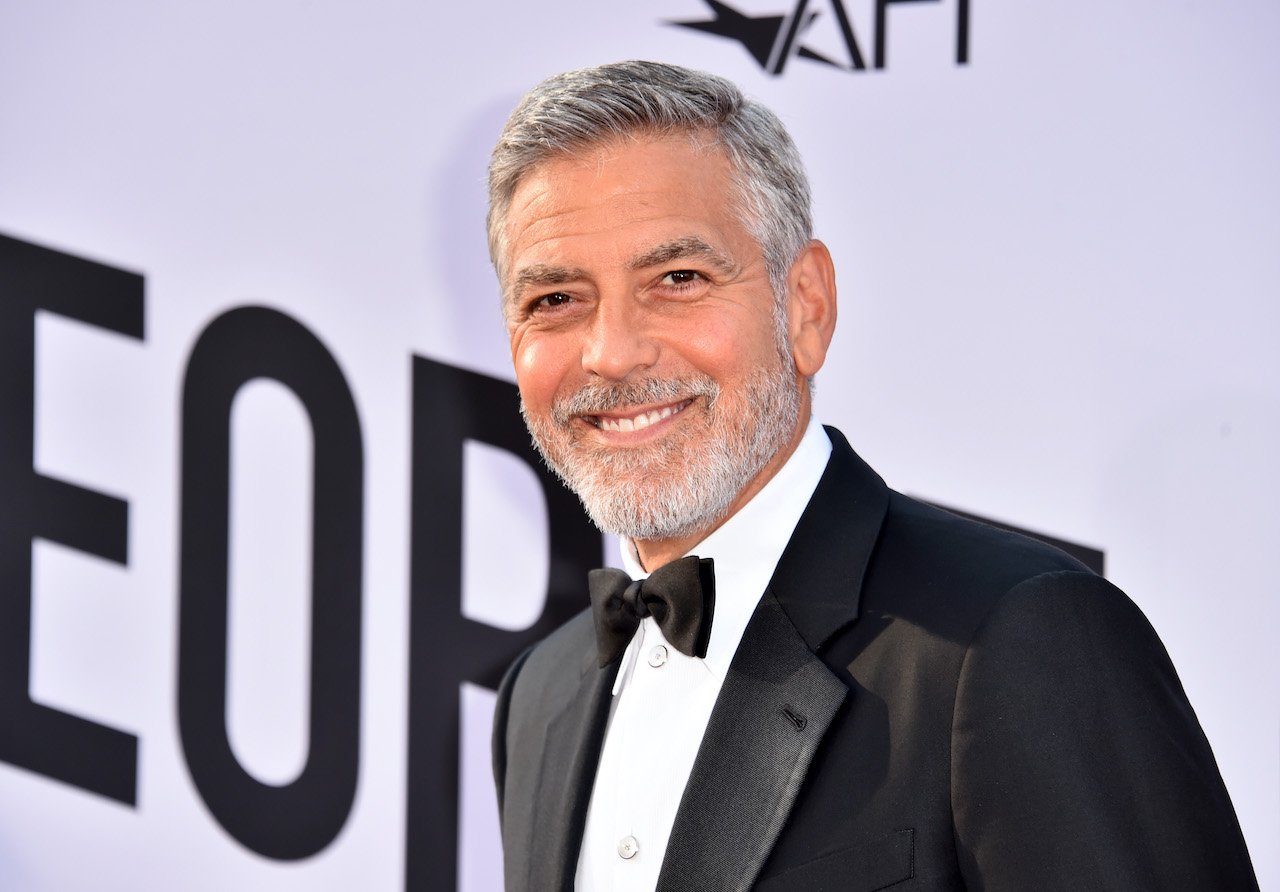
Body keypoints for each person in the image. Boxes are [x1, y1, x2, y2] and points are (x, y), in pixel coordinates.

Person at [486, 60, 1258, 891]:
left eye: (678, 280)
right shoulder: (540, 697)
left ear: (806, 306)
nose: (611, 352)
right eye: (556, 299)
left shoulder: (1016, 638)